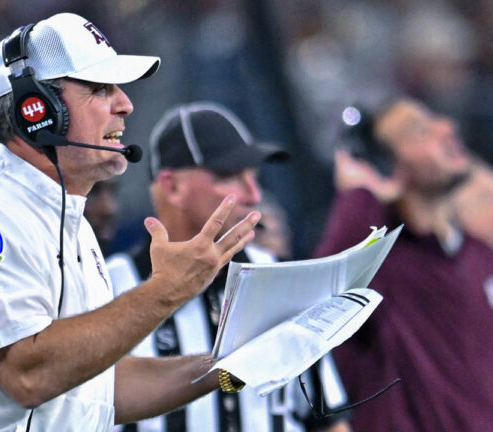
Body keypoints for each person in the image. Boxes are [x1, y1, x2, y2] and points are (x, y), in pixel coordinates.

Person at [0, 13, 265, 432]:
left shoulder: (70, 225)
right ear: (36, 110)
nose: (125, 103)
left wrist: (234, 366)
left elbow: (98, 389)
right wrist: (169, 289)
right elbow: (27, 374)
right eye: (99, 89)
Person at [108, 102, 350, 432]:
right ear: (173, 186)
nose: (253, 194)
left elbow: (328, 420)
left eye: (254, 176)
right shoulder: (109, 283)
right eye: (230, 176)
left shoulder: (284, 278)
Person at [315, 98, 493, 431]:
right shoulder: (380, 262)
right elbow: (320, 291)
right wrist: (360, 192)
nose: (446, 129)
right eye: (419, 131)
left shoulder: (478, 256)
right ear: (387, 165)